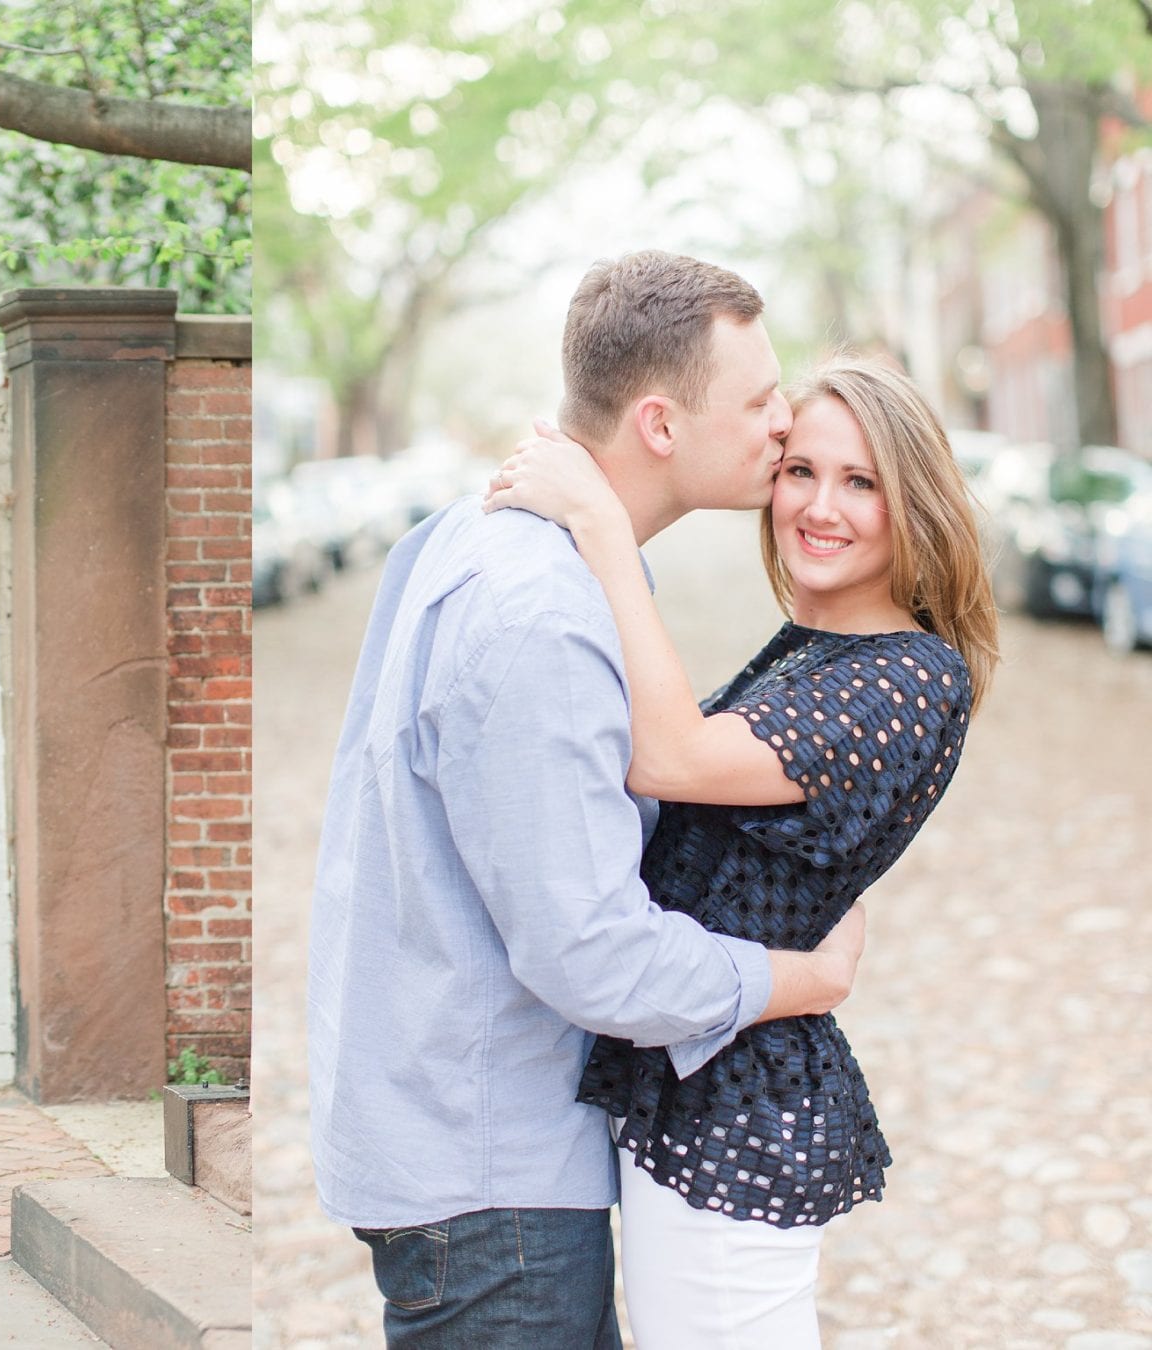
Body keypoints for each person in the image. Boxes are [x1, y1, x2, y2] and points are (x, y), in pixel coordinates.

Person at [308, 251, 871, 1348]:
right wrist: (797, 978)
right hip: (491, 1185)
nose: (785, 420)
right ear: (659, 424)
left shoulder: (482, 538)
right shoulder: (541, 615)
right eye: (758, 400)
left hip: (464, 1142)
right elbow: (590, 955)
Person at [483, 354, 997, 1346]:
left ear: (914, 504)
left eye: (861, 483)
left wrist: (599, 525)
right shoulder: (817, 646)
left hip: (740, 1108)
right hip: (693, 1068)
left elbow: (666, 753)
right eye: (801, 470)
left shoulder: (906, 676)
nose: (819, 506)